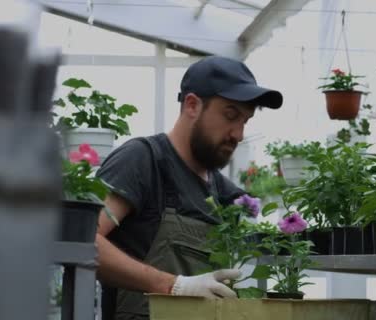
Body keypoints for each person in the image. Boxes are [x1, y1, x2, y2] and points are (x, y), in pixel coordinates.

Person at [95, 56, 283, 320]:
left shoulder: (224, 193)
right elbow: (83, 241)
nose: (238, 134)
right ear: (192, 105)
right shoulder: (143, 160)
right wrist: (174, 286)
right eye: (231, 115)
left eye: (245, 121)